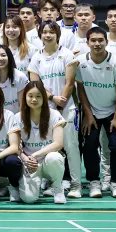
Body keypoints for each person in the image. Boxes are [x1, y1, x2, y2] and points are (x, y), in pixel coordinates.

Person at [27, 20, 80, 198]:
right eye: (44, 32)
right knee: (48, 148)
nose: (48, 35)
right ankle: (53, 183)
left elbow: (69, 82)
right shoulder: (36, 57)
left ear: (57, 34)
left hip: (66, 108)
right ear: (40, 35)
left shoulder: (66, 55)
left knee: (70, 147)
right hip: (44, 110)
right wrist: (51, 98)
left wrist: (60, 103)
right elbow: (36, 84)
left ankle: (76, 186)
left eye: (51, 32)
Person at [75, 27, 116, 198]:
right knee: (89, 145)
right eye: (93, 40)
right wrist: (88, 114)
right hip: (92, 112)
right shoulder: (80, 62)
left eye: (100, 40)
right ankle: (93, 182)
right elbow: (81, 90)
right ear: (87, 42)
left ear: (106, 41)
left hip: (113, 112)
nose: (97, 44)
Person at [17, 81, 68, 204]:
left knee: (54, 157)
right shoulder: (18, 117)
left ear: (44, 98)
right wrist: (25, 158)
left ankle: (57, 187)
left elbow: (58, 143)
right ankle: (35, 184)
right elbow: (16, 146)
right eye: (30, 96)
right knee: (28, 199)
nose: (34, 99)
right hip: (29, 164)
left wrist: (34, 155)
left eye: (38, 96)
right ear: (25, 97)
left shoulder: (54, 115)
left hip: (46, 161)